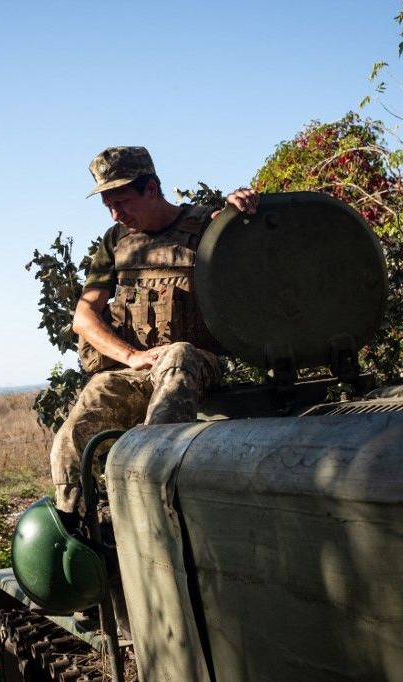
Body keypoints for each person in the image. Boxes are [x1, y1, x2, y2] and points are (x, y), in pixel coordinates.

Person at [50, 146, 259, 512]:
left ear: (151, 189)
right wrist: (132, 357)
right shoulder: (116, 242)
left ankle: (151, 510)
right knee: (70, 437)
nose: (116, 213)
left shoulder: (206, 225)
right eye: (108, 206)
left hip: (196, 365)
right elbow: (84, 318)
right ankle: (80, 532)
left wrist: (241, 209)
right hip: (139, 370)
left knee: (178, 355)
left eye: (123, 201)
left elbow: (261, 256)